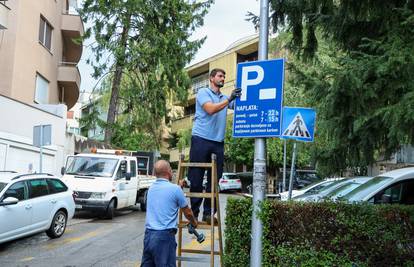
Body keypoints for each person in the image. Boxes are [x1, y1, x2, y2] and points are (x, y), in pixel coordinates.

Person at [188, 68, 242, 224]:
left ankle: (208, 214)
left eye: (224, 76)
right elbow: (210, 109)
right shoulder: (203, 93)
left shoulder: (224, 97)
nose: (223, 78)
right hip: (200, 139)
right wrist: (229, 99)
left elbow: (240, 106)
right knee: (196, 179)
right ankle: (194, 214)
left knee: (214, 180)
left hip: (217, 142)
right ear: (212, 78)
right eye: (220, 76)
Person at [141, 160, 197, 267]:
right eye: (171, 169)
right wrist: (194, 223)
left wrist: (179, 188)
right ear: (168, 172)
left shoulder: (151, 189)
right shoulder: (175, 190)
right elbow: (188, 212)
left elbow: (167, 196)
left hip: (149, 236)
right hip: (164, 238)